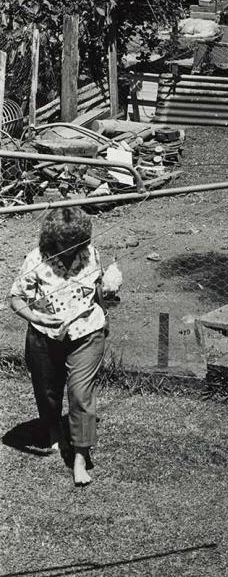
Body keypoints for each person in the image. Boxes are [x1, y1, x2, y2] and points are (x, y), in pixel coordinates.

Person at [9, 207, 108, 487]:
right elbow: (16, 298)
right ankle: (53, 427)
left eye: (80, 241)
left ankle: (80, 456)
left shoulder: (91, 254)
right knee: (47, 389)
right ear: (53, 240)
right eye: (68, 243)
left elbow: (97, 287)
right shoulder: (36, 260)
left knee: (79, 392)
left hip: (87, 332)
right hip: (45, 335)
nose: (74, 248)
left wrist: (105, 312)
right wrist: (36, 316)